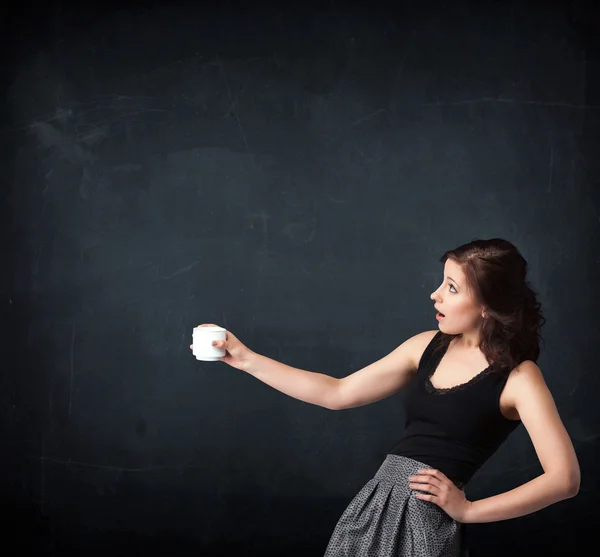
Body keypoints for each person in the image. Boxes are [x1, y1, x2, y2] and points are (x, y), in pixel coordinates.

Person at [190, 238, 580, 556]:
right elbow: (336, 392)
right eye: (442, 281)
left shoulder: (520, 378)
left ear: (486, 307)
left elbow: (565, 479)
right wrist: (246, 359)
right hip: (374, 503)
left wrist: (469, 510)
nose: (435, 295)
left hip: (426, 520)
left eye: (452, 287)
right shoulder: (426, 346)